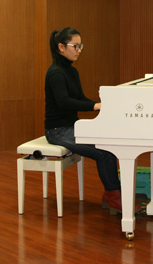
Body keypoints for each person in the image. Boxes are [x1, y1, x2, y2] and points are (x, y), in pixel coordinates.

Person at [44, 27, 123, 213]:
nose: (79, 50)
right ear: (61, 47)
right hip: (57, 131)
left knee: (108, 146)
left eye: (81, 46)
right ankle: (115, 197)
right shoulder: (55, 73)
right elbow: (64, 103)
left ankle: (111, 194)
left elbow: (80, 98)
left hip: (72, 126)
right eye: (76, 46)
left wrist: (101, 104)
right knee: (102, 152)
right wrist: (95, 106)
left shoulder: (72, 71)